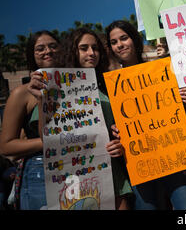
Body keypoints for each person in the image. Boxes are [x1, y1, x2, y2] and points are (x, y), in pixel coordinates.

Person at [105, 20, 186, 210]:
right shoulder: (110, 84)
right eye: (114, 42)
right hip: (139, 163)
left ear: (134, 40)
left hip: (173, 157)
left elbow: (185, 115)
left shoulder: (160, 71)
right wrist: (114, 129)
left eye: (124, 38)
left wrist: (183, 100)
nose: (120, 45)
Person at [40, 28, 132, 209]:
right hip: (73, 180)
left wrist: (119, 144)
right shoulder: (53, 88)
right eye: (84, 48)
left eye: (95, 48)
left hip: (112, 174)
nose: (91, 53)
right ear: (72, 51)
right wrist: (40, 98)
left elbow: (118, 129)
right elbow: (46, 137)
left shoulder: (106, 85)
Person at [0, 30, 61, 209]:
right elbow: (6, 146)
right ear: (31, 56)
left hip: (78, 168)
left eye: (53, 46)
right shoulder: (21, 93)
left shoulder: (78, 87)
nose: (47, 51)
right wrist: (53, 141)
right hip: (40, 172)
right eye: (40, 49)